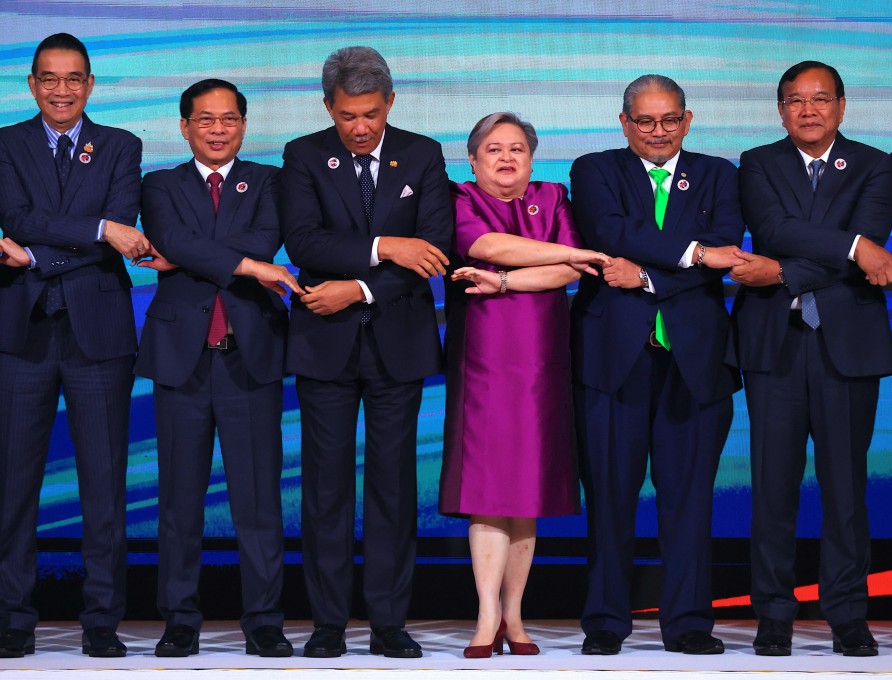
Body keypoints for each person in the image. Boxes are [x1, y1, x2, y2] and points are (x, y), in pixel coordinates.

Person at [280, 46, 452, 659]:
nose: (360, 127)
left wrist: (357, 285)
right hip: (323, 346)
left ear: (390, 103)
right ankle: (328, 623)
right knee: (324, 489)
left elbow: (431, 251)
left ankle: (388, 623)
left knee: (392, 487)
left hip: (397, 345)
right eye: (348, 115)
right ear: (328, 107)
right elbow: (304, 239)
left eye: (371, 114)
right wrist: (385, 246)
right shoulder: (302, 154)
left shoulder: (425, 154)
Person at [730, 60, 892, 657]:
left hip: (845, 344)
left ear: (842, 106)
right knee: (772, 488)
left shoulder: (877, 166)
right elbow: (773, 227)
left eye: (820, 99)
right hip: (774, 345)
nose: (809, 110)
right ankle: (774, 614)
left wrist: (785, 270)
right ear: (780, 110)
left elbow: (865, 239)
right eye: (796, 101)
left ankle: (848, 615)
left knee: (846, 488)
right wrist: (853, 246)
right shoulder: (757, 163)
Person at [570, 74, 744, 656]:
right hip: (614, 359)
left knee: (690, 498)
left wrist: (646, 275)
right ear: (624, 123)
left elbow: (724, 245)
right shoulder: (595, 170)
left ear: (687, 121)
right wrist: (694, 256)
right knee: (610, 494)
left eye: (670, 120)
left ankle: (690, 621)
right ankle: (605, 620)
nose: (658, 132)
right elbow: (611, 231)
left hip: (695, 359)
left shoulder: (720, 174)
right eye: (645, 121)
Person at [134, 79, 304, 658]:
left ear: (243, 125)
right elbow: (170, 235)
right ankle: (180, 620)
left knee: (257, 502)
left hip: (248, 357)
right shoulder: (157, 184)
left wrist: (187, 255)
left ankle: (263, 622)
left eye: (228, 118)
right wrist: (249, 265)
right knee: (179, 502)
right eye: (204, 119)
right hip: (182, 360)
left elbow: (261, 237)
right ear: (184, 127)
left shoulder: (270, 182)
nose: (216, 128)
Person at [0, 32, 148, 659]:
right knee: (13, 484)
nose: (62, 90)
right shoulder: (6, 143)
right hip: (22, 331)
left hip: (99, 334)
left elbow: (47, 233)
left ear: (90, 85)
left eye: (74, 79)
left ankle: (101, 620)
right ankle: (12, 616)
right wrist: (98, 230)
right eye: (49, 79)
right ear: (31, 84)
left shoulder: (119, 146)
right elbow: (19, 216)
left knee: (103, 481)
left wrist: (34, 255)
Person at [439, 112, 609, 658]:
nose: (506, 157)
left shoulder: (553, 195)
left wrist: (510, 281)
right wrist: (565, 253)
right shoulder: (460, 198)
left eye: (516, 148)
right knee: (489, 491)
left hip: (542, 361)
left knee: (527, 491)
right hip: (485, 358)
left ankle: (516, 615)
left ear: (532, 158)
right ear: (473, 160)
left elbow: (570, 273)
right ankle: (487, 614)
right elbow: (488, 246)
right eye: (493, 149)